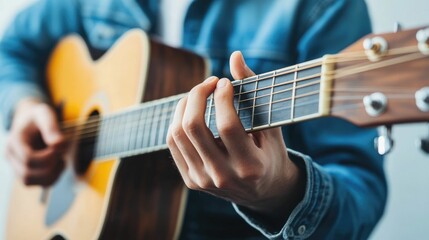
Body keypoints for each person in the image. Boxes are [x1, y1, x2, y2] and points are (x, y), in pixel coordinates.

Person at [0, 0, 387, 239]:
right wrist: (24, 106)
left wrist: (278, 190)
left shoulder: (321, 6)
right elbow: (13, 47)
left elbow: (362, 193)